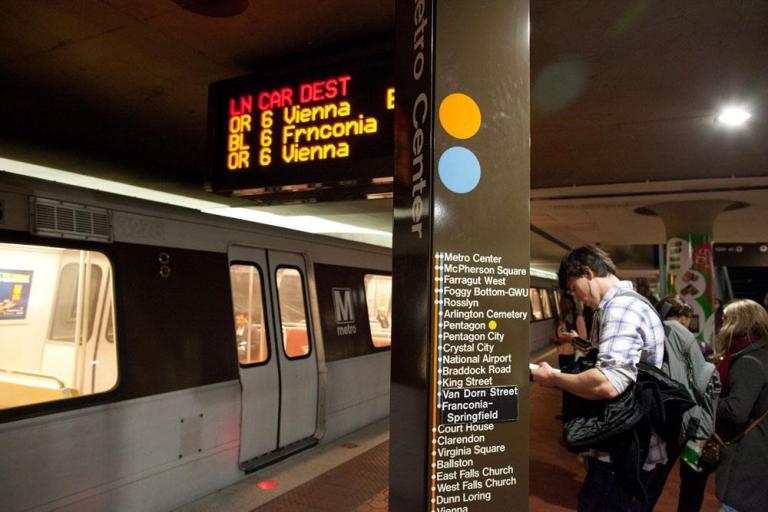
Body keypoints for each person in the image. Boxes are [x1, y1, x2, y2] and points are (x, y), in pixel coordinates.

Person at [531, 245, 668, 511]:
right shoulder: (634, 302)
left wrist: (553, 378)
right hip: (635, 444)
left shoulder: (619, 309)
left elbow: (608, 382)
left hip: (622, 450)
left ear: (588, 273)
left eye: (574, 288)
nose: (577, 297)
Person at [656, 296, 713, 512]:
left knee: (690, 480)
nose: (683, 327)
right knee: (676, 478)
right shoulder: (662, 343)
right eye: (679, 321)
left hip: (684, 428)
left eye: (686, 321)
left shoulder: (691, 344)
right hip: (681, 427)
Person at [712, 299, 768, 512]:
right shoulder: (761, 354)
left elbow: (737, 411)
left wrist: (707, 401)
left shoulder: (748, 361)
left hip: (748, 460)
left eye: (725, 319)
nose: (721, 324)